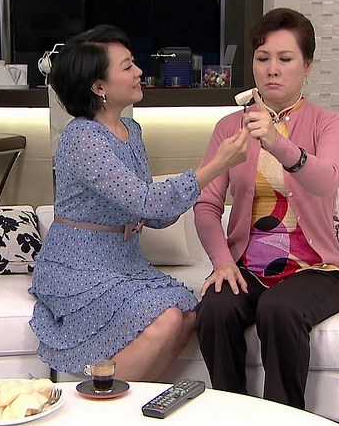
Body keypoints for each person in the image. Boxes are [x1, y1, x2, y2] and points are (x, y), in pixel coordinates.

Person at [28, 25, 248, 381]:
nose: (139, 72)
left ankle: (130, 402)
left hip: (124, 261)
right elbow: (148, 202)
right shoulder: (82, 137)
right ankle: (101, 402)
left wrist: (145, 210)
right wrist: (216, 166)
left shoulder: (133, 132)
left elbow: (155, 213)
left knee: (188, 315)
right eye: (127, 66)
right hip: (78, 265)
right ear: (99, 87)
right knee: (168, 319)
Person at [193, 8, 339, 409]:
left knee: (279, 308)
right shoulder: (229, 127)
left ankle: (284, 417)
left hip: (316, 268)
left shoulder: (330, 123)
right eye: (263, 58)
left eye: (285, 59)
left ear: (307, 66)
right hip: (248, 267)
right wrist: (222, 262)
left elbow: (326, 181)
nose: (272, 69)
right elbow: (207, 204)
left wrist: (275, 141)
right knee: (214, 308)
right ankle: (232, 412)